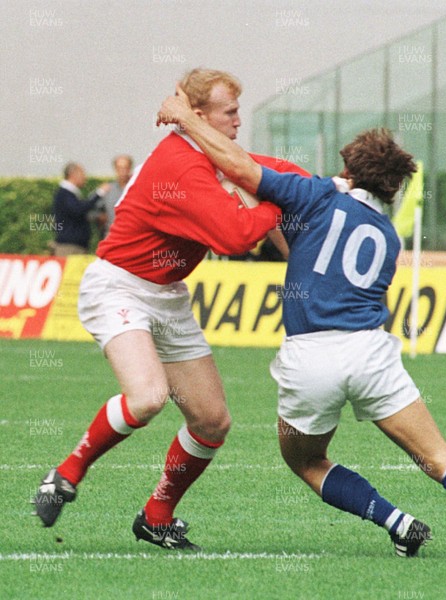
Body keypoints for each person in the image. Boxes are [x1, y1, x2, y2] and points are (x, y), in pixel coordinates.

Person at [156, 89, 446, 557]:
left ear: (347, 171)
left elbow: (241, 167)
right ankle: (405, 523)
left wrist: (187, 117)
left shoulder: (317, 196)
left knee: (304, 459)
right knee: (441, 458)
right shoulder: (386, 235)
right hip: (370, 353)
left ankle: (394, 519)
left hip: (312, 357)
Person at [33, 69, 309, 551]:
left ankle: (157, 515)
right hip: (118, 287)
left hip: (167, 294)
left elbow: (277, 169)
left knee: (211, 421)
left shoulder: (211, 152)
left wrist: (331, 185)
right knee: (147, 398)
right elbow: (234, 236)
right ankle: (64, 473)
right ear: (198, 117)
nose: (239, 122)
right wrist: (276, 204)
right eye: (230, 113)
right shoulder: (180, 166)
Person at [52, 162, 111, 256]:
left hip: (74, 246)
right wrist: (99, 193)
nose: (85, 178)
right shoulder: (65, 194)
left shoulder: (69, 194)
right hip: (69, 248)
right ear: (73, 175)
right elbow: (79, 210)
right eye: (82, 174)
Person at [94, 155, 134, 238]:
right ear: (115, 169)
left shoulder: (137, 189)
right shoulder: (107, 189)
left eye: (126, 167)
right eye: (119, 168)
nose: (123, 171)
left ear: (130, 168)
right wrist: (99, 217)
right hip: (111, 236)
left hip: (132, 236)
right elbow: (90, 208)